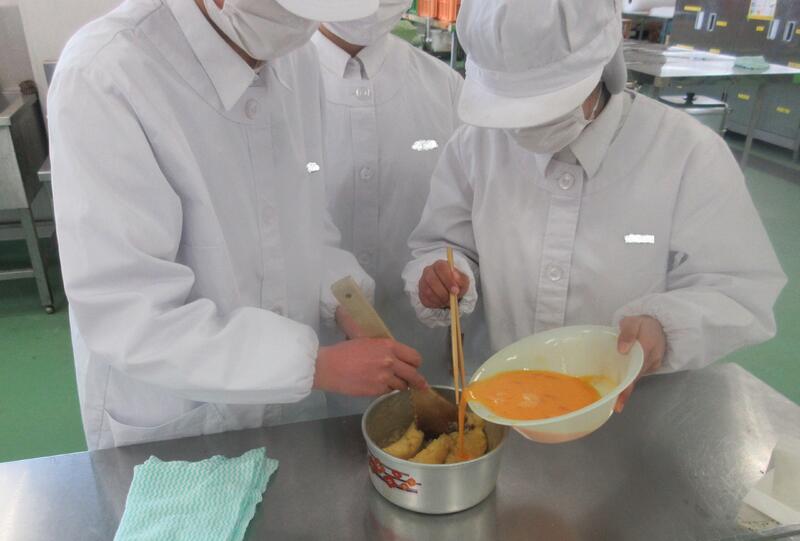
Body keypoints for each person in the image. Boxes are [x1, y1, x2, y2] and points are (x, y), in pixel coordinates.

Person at [48, 0, 427, 451]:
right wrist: (316, 366)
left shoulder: (296, 59)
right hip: (179, 416)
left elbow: (305, 221)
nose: (302, 25)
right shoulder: (107, 74)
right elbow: (129, 309)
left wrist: (343, 302)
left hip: (290, 411)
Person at [402, 0, 787, 411]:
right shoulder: (475, 146)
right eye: (510, 109)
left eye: (546, 104)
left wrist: (666, 327)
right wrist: (445, 274)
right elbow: (445, 243)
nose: (524, 126)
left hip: (627, 413)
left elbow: (738, 289)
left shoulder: (688, 154)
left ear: (601, 64)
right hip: (500, 401)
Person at [311, 0, 487, 415]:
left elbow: (467, 227)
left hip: (423, 369)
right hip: (306, 385)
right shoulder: (274, 88)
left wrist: (452, 277)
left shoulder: (446, 90)